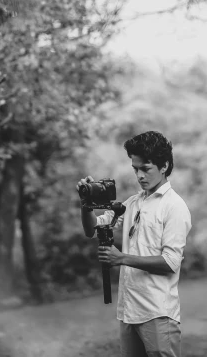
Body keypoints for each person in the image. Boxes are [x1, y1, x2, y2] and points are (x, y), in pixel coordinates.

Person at [78, 130, 192, 357]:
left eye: (146, 168)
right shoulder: (133, 203)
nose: (139, 175)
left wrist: (121, 258)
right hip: (129, 311)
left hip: (158, 313)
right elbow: (92, 229)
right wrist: (85, 204)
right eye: (135, 169)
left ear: (164, 166)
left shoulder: (174, 207)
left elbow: (171, 262)